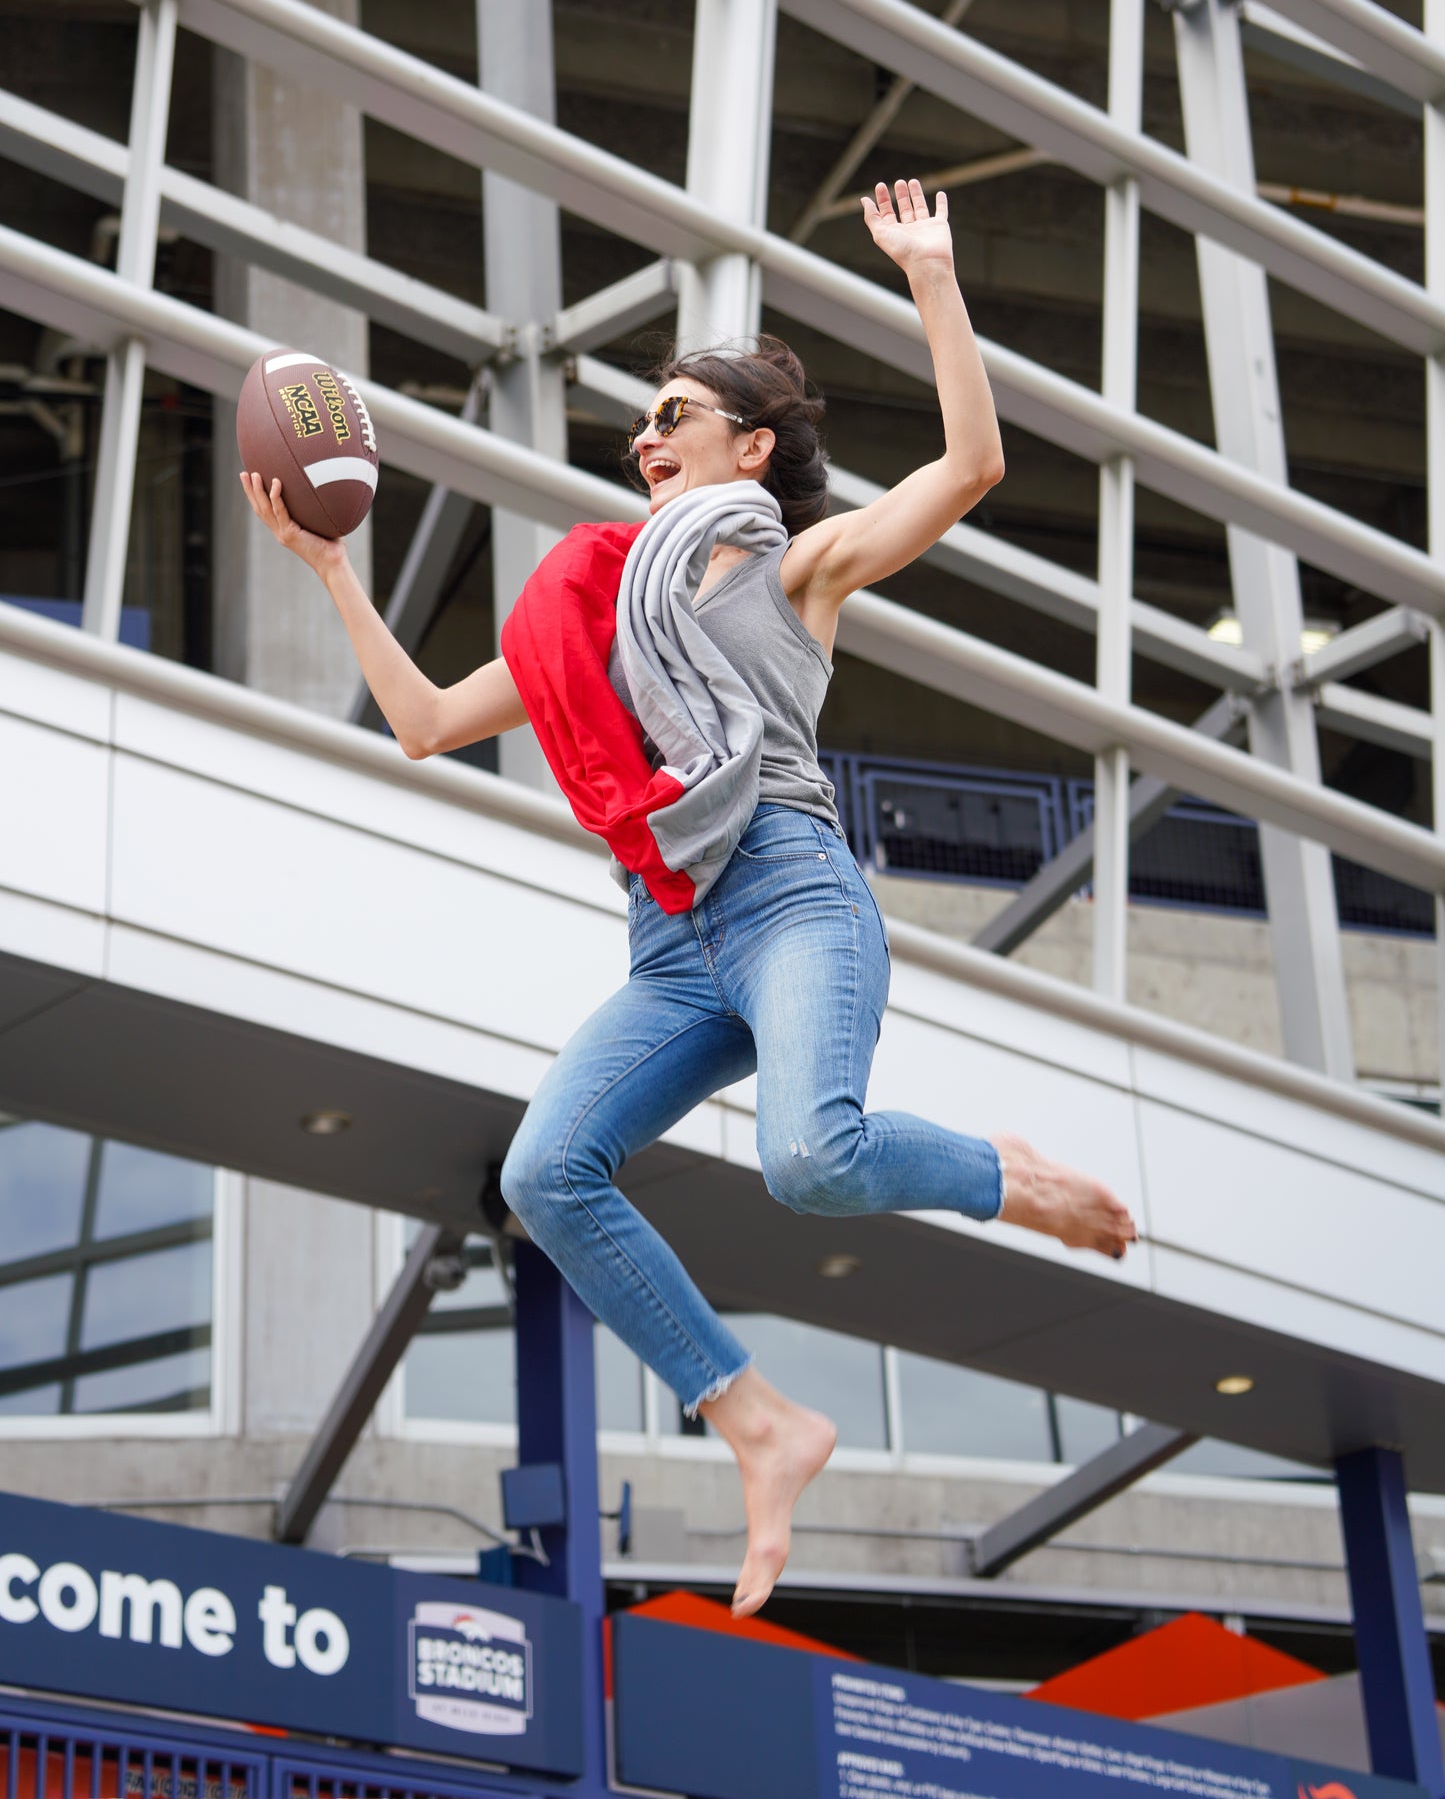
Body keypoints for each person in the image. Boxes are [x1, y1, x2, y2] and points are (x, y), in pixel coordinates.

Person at [242, 178, 1138, 1620]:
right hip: (670, 943)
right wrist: (335, 572)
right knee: (544, 1174)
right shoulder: (596, 621)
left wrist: (931, 279)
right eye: (643, 418)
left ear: (750, 446)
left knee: (809, 1160)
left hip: (788, 896)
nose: (644, 435)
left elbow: (968, 466)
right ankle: (757, 1421)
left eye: (674, 414)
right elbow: (418, 721)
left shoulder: (794, 571)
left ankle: (1003, 1173)